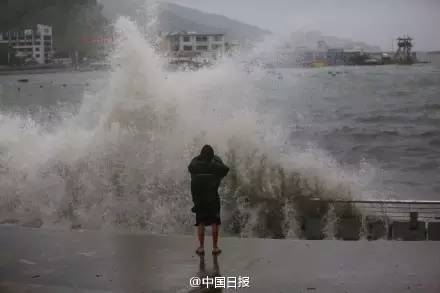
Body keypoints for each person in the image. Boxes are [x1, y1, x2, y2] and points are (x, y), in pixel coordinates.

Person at [188, 145, 229, 255]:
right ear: (211, 156)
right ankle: (215, 247)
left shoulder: (195, 165)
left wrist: (199, 157)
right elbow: (225, 169)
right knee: (214, 222)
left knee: (200, 222)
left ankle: (201, 247)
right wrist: (215, 160)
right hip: (213, 198)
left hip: (199, 199)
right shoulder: (215, 166)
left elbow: (190, 168)